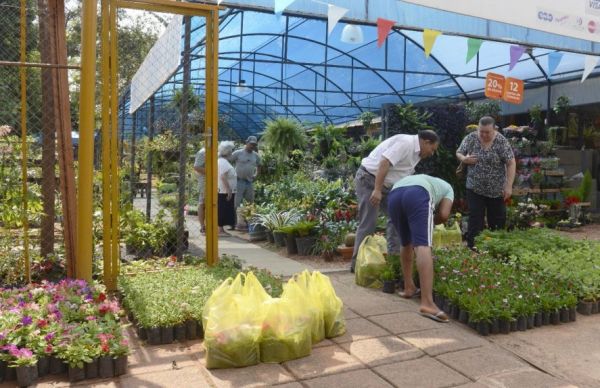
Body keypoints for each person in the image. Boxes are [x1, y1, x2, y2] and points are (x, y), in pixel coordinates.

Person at [350, 130, 440, 273]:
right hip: (369, 180)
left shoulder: (417, 154)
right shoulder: (406, 143)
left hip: (386, 186)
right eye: (432, 149)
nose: (432, 153)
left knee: (398, 218)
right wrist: (377, 190)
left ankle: (395, 263)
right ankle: (357, 265)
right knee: (369, 222)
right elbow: (384, 162)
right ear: (426, 142)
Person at [388, 174, 454, 323]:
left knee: (406, 243)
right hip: (418, 194)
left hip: (394, 194)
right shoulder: (449, 189)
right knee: (422, 245)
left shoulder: (429, 180)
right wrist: (427, 222)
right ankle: (427, 304)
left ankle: (408, 287)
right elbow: (443, 215)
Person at [456, 116, 516, 248]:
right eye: (481, 131)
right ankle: (473, 247)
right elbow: (459, 152)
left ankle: (496, 246)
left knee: (497, 220)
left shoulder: (501, 141)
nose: (483, 134)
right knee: (475, 218)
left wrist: (509, 186)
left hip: (496, 190)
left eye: (487, 132)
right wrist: (464, 159)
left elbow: (511, 163)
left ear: (494, 129)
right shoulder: (471, 138)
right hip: (474, 187)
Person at [230, 135, 260, 229]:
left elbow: (259, 165)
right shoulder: (238, 153)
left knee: (250, 203)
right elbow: (228, 161)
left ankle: (249, 223)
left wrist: (256, 175)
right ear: (246, 143)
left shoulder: (255, 155)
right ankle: (234, 223)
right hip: (238, 181)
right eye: (251, 144)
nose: (252, 146)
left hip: (249, 182)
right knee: (236, 203)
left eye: (254, 145)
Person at [217, 141, 237, 236]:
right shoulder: (223, 162)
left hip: (224, 190)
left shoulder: (222, 161)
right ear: (227, 152)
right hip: (224, 191)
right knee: (222, 210)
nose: (232, 153)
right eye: (231, 151)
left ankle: (221, 229)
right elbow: (223, 176)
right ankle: (220, 230)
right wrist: (228, 190)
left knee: (223, 209)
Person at [193, 147, 206, 234]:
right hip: (204, 181)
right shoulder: (203, 152)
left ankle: (209, 225)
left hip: (213, 181)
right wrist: (211, 171)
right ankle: (203, 227)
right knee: (203, 203)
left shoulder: (214, 150)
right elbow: (196, 167)